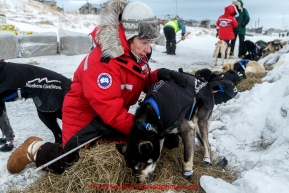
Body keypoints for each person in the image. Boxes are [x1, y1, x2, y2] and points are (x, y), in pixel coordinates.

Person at [7, 0, 188, 174]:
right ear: (128, 37)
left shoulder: (132, 55)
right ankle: (34, 148)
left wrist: (160, 76)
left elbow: (139, 79)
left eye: (150, 43)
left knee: (137, 148)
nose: (148, 49)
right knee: (72, 166)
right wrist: (147, 129)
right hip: (84, 119)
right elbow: (112, 113)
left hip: (105, 120)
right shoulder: (102, 64)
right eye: (144, 43)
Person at [0, 60, 71, 152]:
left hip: (54, 86)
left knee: (46, 113)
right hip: (56, 85)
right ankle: (7, 136)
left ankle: (63, 138)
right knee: (46, 113)